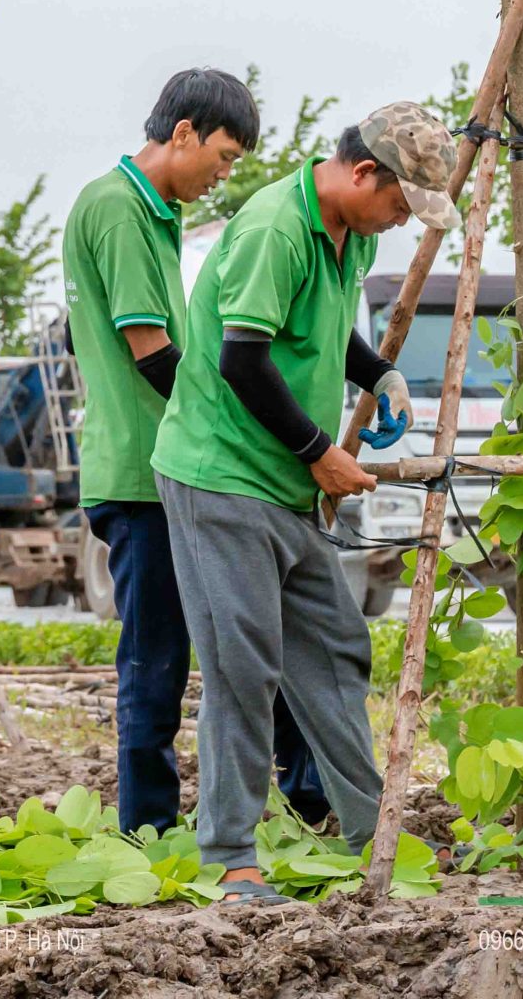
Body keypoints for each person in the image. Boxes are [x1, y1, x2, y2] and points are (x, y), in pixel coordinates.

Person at [150, 101, 453, 902]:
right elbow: (242, 360)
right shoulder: (276, 230)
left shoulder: (345, 232)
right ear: (362, 174)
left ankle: (371, 830)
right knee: (243, 665)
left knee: (335, 646)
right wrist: (321, 453)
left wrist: (378, 373)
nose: (398, 221)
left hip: (284, 484)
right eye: (398, 204)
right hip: (220, 476)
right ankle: (229, 856)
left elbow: (316, 334)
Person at [63, 67, 332, 838]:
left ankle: (295, 799)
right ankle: (146, 827)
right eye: (222, 158)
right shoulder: (120, 210)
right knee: (157, 657)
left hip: (159, 465)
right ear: (181, 132)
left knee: (241, 637)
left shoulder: (145, 212)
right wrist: (242, 424)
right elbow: (152, 354)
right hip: (150, 473)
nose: (222, 177)